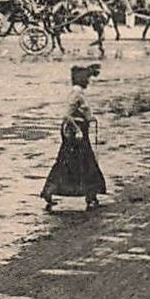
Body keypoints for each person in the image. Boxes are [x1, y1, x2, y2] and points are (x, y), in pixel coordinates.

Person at [42, 64, 107, 211]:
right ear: (82, 80)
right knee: (82, 162)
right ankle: (90, 194)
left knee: (75, 162)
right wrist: (78, 129)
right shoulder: (76, 94)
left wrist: (89, 119)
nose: (89, 81)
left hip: (78, 132)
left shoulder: (78, 93)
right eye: (87, 79)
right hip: (75, 134)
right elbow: (66, 116)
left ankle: (88, 194)